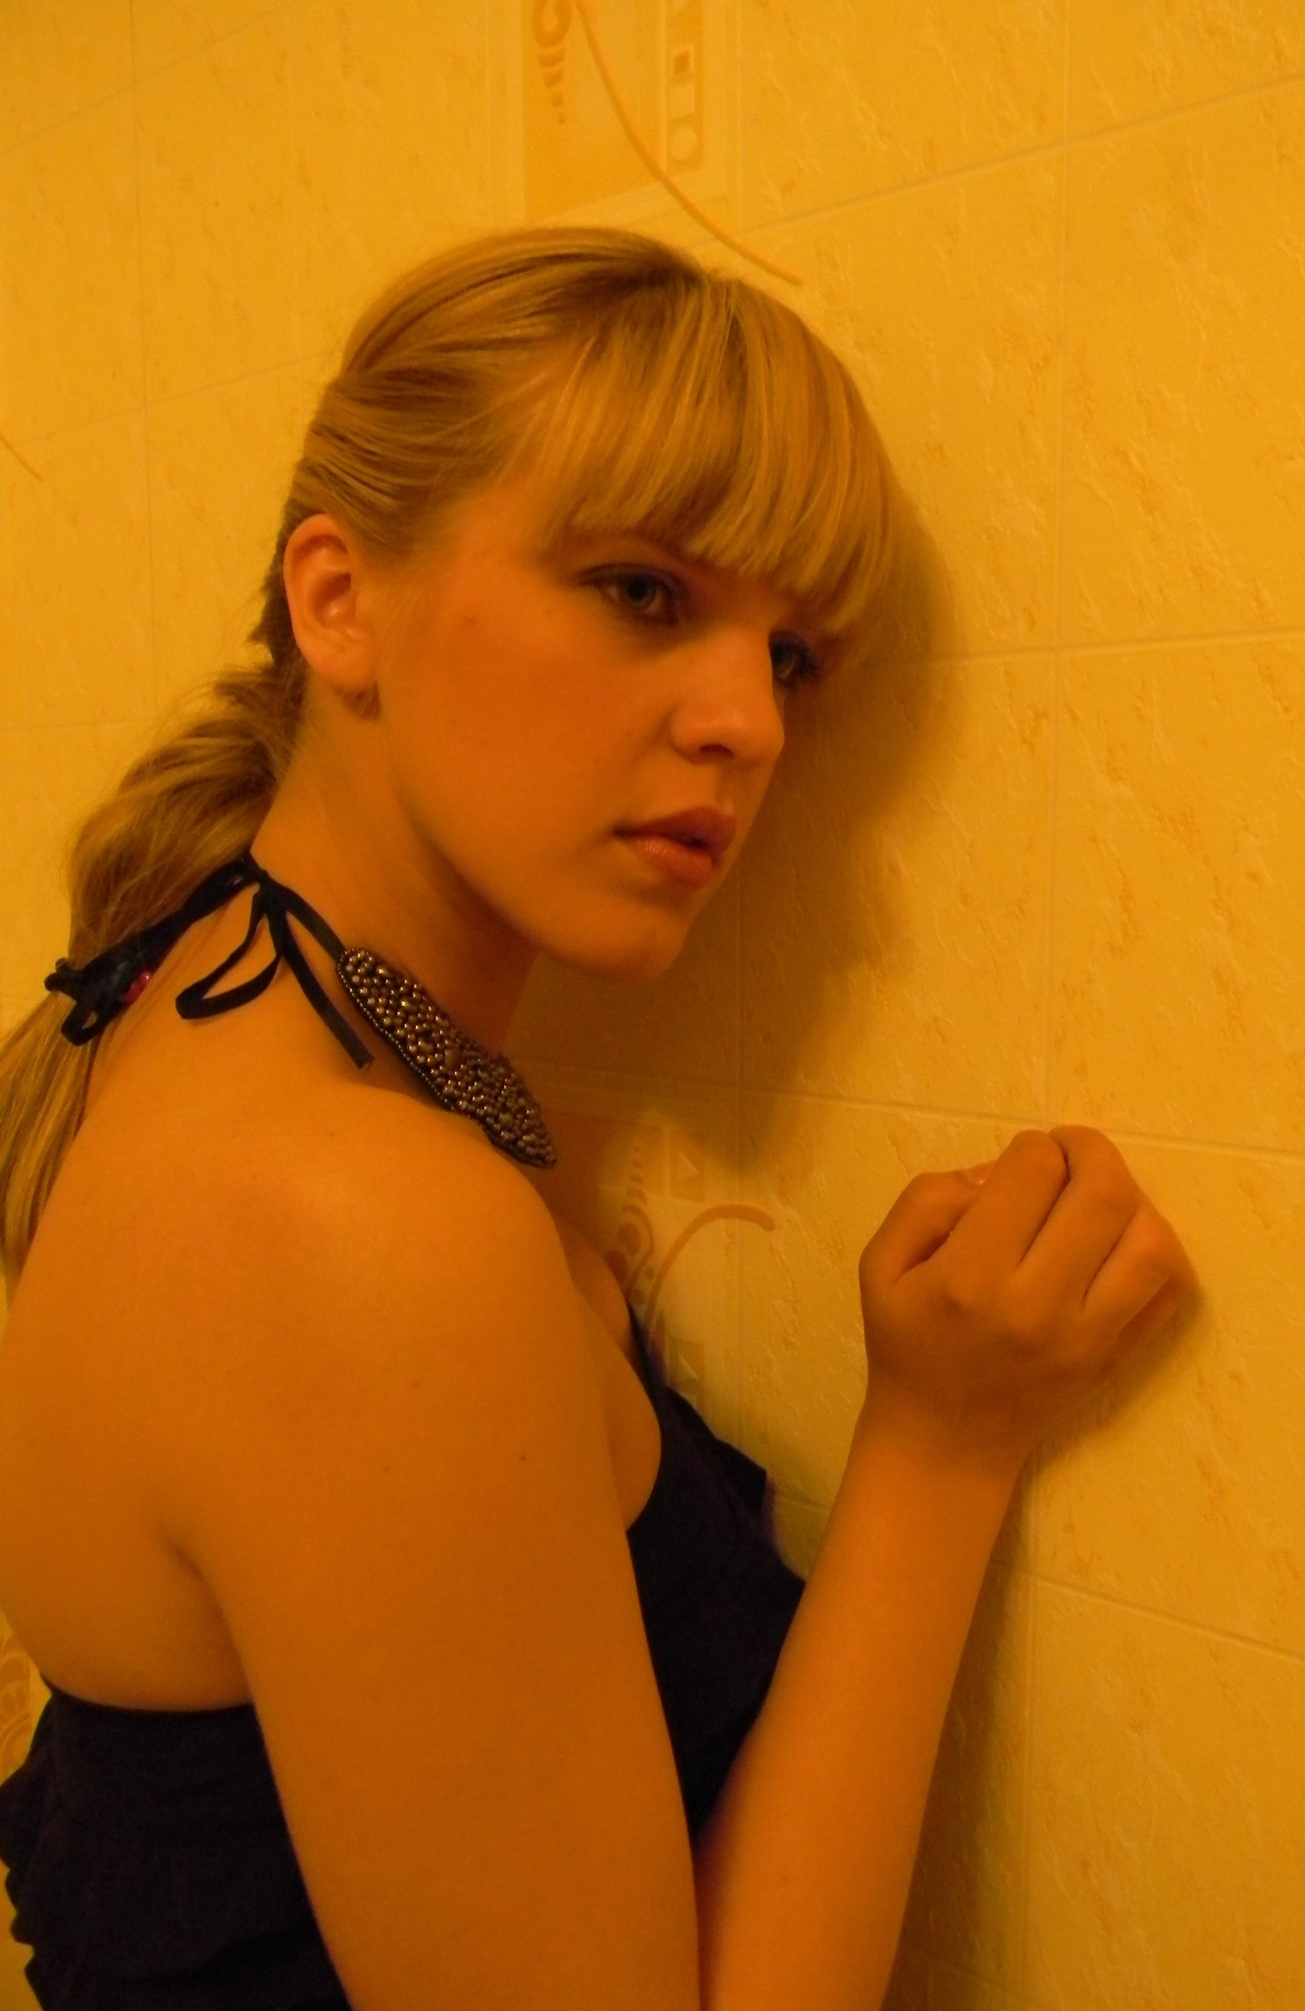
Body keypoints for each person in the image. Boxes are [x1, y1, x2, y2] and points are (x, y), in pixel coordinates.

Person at [0, 227, 1194, 2011]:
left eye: (795, 657)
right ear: (339, 601)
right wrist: (941, 1450)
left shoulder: (198, 1006)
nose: (748, 724)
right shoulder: (353, 1218)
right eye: (642, 590)